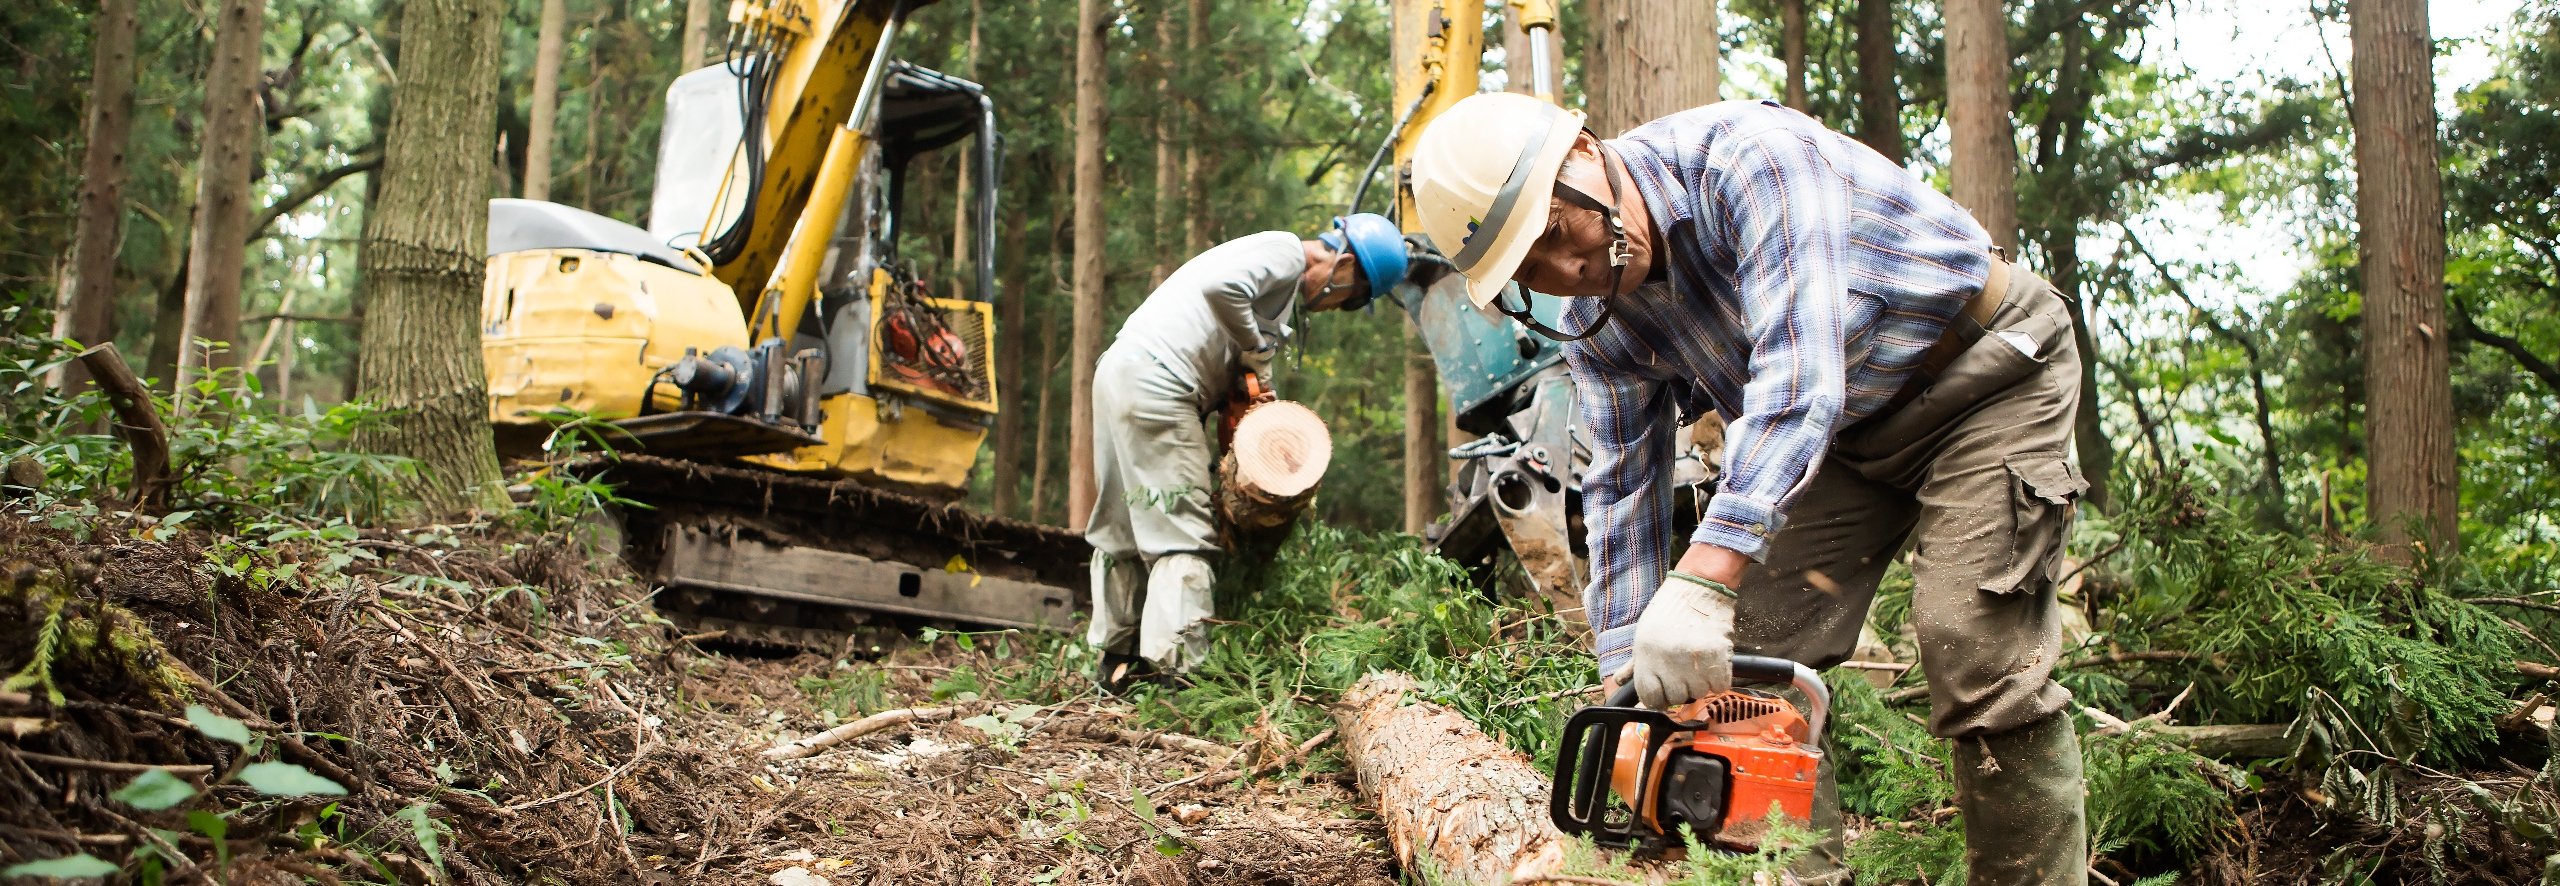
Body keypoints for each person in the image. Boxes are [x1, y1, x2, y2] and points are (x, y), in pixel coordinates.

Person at [1409, 92, 2090, 885]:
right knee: (1742, 671)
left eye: (1559, 236)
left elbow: (1800, 383)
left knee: (1971, 643)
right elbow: (1622, 480)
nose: (1571, 273)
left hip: (1983, 376)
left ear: (1585, 156)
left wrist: (1703, 575)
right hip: (1840, 438)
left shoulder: (1748, 158)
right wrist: (1630, 671)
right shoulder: (1596, 319)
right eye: (1534, 272)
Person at [1084, 213, 1409, 693]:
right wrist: (1255, 348)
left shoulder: (1274, 297)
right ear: (1342, 266)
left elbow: (1241, 362)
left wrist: (1258, 387)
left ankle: (1117, 662)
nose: (1333, 306)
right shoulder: (1283, 251)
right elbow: (1221, 289)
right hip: (1161, 383)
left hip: (1120, 371)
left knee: (1122, 523)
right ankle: (1182, 680)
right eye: (1348, 298)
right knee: (1183, 535)